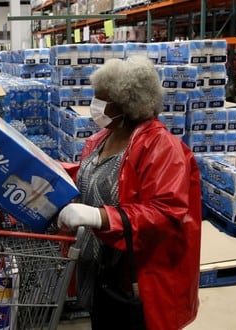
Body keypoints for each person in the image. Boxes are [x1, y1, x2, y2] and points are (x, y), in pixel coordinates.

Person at [56, 56, 201, 329]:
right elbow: (93, 175)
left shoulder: (163, 149)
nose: (94, 106)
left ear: (127, 104)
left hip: (136, 279)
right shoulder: (102, 138)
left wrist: (101, 217)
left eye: (102, 100)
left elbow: (166, 213)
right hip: (100, 271)